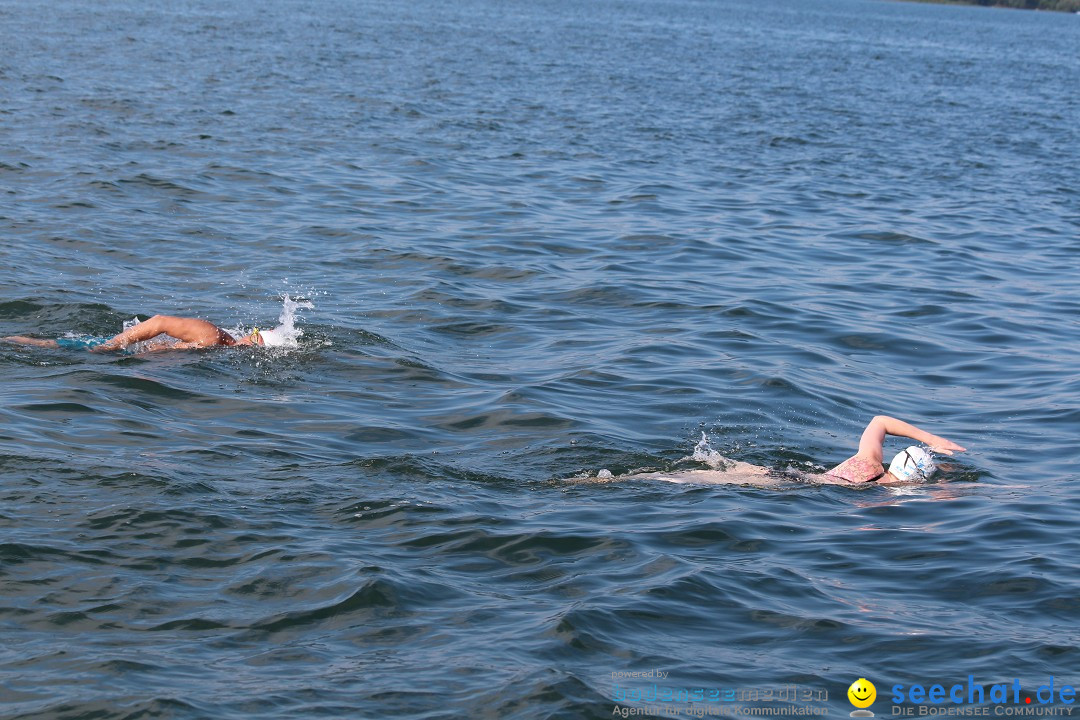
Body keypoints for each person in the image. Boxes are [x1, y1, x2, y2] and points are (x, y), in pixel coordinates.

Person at [622, 415, 966, 486]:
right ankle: (597, 484)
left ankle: (601, 482)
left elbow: (879, 421)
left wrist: (932, 439)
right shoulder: (883, 494)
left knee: (676, 474)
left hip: (784, 475)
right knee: (677, 480)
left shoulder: (868, 460)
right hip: (786, 486)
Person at [2, 315, 277, 352]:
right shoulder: (213, 336)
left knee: (53, 346)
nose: (249, 340)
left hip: (132, 354)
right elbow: (159, 321)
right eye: (253, 336)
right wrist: (114, 344)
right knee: (46, 345)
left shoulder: (220, 346)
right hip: (116, 348)